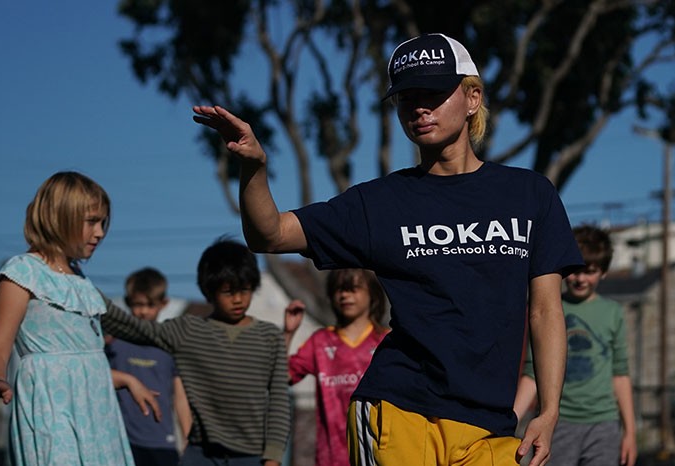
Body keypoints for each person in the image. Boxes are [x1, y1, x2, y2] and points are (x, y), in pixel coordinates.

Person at [193, 32, 582, 466]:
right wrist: (254, 167)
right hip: (398, 410)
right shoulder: (379, 202)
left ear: (472, 98)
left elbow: (545, 311)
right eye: (406, 97)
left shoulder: (530, 194)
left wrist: (549, 412)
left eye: (432, 93)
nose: (419, 107)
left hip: (490, 426)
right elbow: (270, 235)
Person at [0, 171, 137, 465]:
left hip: (97, 412)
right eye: (91, 222)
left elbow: (80, 362)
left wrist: (126, 379)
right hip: (51, 408)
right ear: (59, 216)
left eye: (103, 223)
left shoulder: (82, 281)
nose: (100, 232)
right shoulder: (22, 273)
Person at [101, 237, 290, 466]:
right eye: (228, 292)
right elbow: (134, 327)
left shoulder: (269, 336)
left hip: (252, 457)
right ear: (209, 292)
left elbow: (279, 401)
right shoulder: (188, 330)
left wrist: (274, 457)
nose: (238, 299)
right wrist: (87, 293)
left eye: (245, 290)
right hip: (201, 455)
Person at [514, 225, 637, 466]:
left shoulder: (612, 313)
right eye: (575, 271)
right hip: (559, 423)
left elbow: (620, 375)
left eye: (589, 272)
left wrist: (630, 432)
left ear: (602, 272)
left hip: (603, 424)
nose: (580, 279)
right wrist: (511, 420)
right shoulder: (548, 310)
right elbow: (532, 373)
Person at [284, 268, 389, 466]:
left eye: (353, 288)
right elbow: (283, 376)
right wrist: (288, 334)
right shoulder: (321, 341)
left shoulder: (386, 342)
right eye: (339, 289)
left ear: (372, 294)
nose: (345, 295)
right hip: (331, 458)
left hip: (377, 456)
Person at [105, 267, 193, 466]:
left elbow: (180, 396)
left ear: (164, 304)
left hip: (162, 441)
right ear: (128, 303)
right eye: (137, 304)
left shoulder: (170, 345)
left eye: (149, 305)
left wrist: (188, 437)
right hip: (123, 440)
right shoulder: (114, 344)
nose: (143, 311)